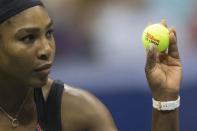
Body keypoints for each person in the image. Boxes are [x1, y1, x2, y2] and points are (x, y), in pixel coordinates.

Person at [0, 0, 182, 131]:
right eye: (28, 38)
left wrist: (165, 98)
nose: (46, 49)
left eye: (49, 33)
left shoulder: (81, 111)